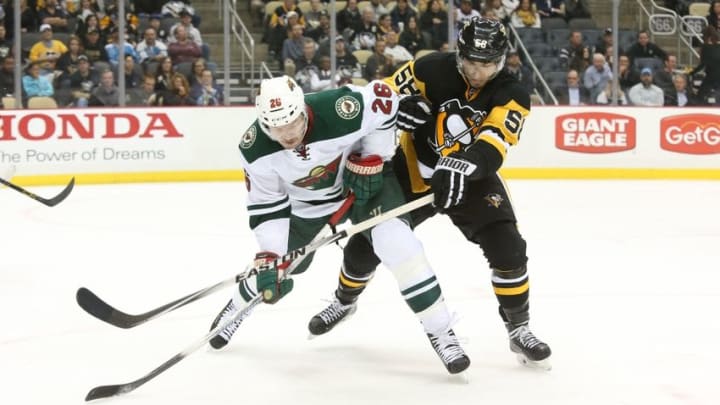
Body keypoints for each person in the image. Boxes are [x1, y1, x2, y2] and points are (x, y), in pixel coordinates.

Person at [312, 17, 552, 369]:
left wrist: (462, 166)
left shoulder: (512, 93)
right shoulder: (429, 68)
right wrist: (398, 110)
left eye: (486, 64)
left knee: (509, 247)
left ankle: (519, 329)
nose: (477, 71)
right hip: (411, 170)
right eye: (470, 61)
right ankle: (344, 301)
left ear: (501, 60)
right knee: (365, 244)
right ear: (459, 54)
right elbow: (381, 98)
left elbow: (495, 142)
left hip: (471, 178)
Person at [208, 75, 471, 375]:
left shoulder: (340, 108)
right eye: (277, 128)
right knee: (278, 267)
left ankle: (441, 331)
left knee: (399, 245)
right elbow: (266, 205)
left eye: (292, 123)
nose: (288, 134)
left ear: (301, 107)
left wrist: (373, 156)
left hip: (365, 186)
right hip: (308, 205)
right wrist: (270, 254)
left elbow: (383, 101)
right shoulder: (254, 148)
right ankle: (236, 308)